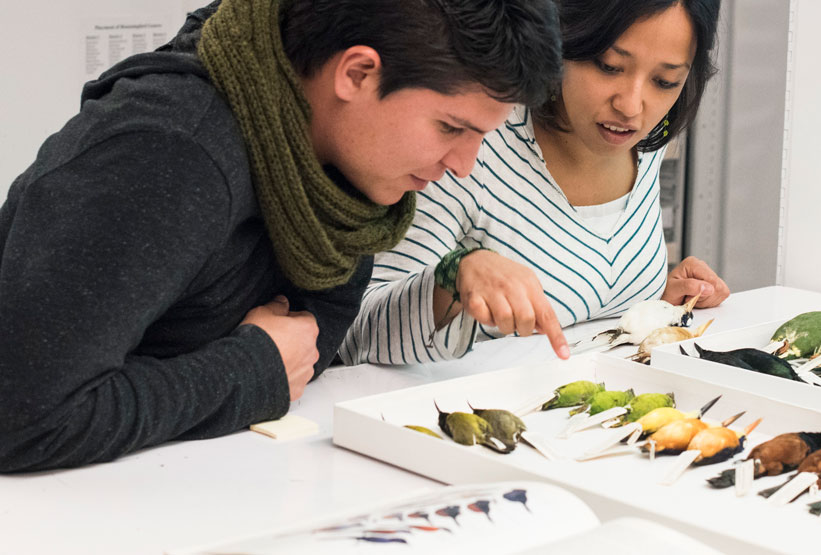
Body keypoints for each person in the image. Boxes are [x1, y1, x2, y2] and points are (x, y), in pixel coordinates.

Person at [0, 0, 561, 473]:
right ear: (358, 73)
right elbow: (23, 417)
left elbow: (316, 331)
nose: (464, 164)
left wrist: (263, 363)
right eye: (450, 128)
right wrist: (250, 371)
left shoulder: (346, 168)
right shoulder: (166, 153)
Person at [339, 0, 729, 366]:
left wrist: (661, 301)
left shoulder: (645, 145)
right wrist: (454, 277)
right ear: (562, 39)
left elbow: (584, 298)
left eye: (665, 81)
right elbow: (356, 333)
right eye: (609, 66)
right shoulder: (470, 148)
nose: (631, 105)